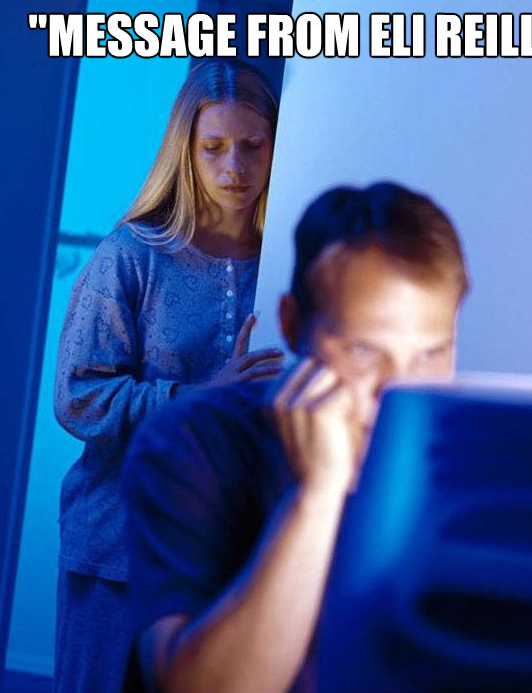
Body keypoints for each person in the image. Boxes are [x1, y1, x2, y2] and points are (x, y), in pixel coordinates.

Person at [122, 182, 469, 693]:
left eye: (429, 355)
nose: (397, 393)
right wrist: (316, 497)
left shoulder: (469, 463)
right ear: (292, 324)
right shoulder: (188, 441)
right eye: (364, 352)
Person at [52, 59, 283, 693]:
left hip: (226, 557)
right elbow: (77, 397)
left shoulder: (284, 262)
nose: (234, 167)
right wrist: (196, 397)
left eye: (252, 145)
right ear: (186, 150)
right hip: (117, 547)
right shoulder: (131, 256)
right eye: (213, 147)